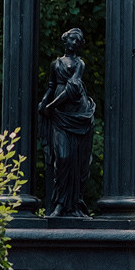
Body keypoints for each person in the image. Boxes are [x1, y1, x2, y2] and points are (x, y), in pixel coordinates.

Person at [38, 26, 96, 217]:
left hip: (76, 114)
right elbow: (51, 85)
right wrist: (44, 102)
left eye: (78, 41)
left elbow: (72, 89)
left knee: (77, 161)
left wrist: (51, 105)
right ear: (66, 40)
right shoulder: (55, 64)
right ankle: (59, 203)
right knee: (62, 158)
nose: (75, 43)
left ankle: (73, 204)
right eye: (72, 39)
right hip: (59, 117)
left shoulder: (80, 64)